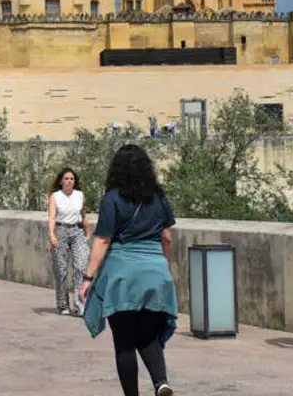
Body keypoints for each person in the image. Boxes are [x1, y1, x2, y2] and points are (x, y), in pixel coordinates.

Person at [79, 145, 177, 396]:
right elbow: (167, 237)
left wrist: (88, 277)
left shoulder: (113, 197)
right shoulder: (158, 196)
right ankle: (161, 382)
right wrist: (162, 265)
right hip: (156, 271)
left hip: (122, 273)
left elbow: (102, 240)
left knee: (124, 343)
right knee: (148, 335)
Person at [48, 167, 91, 317]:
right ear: (61, 181)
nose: (69, 181)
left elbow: (83, 215)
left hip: (77, 231)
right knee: (61, 271)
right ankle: (63, 304)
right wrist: (52, 235)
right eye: (66, 178)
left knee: (81, 266)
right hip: (61, 231)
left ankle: (80, 305)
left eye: (71, 179)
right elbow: (52, 217)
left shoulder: (79, 195)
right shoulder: (55, 196)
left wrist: (87, 232)